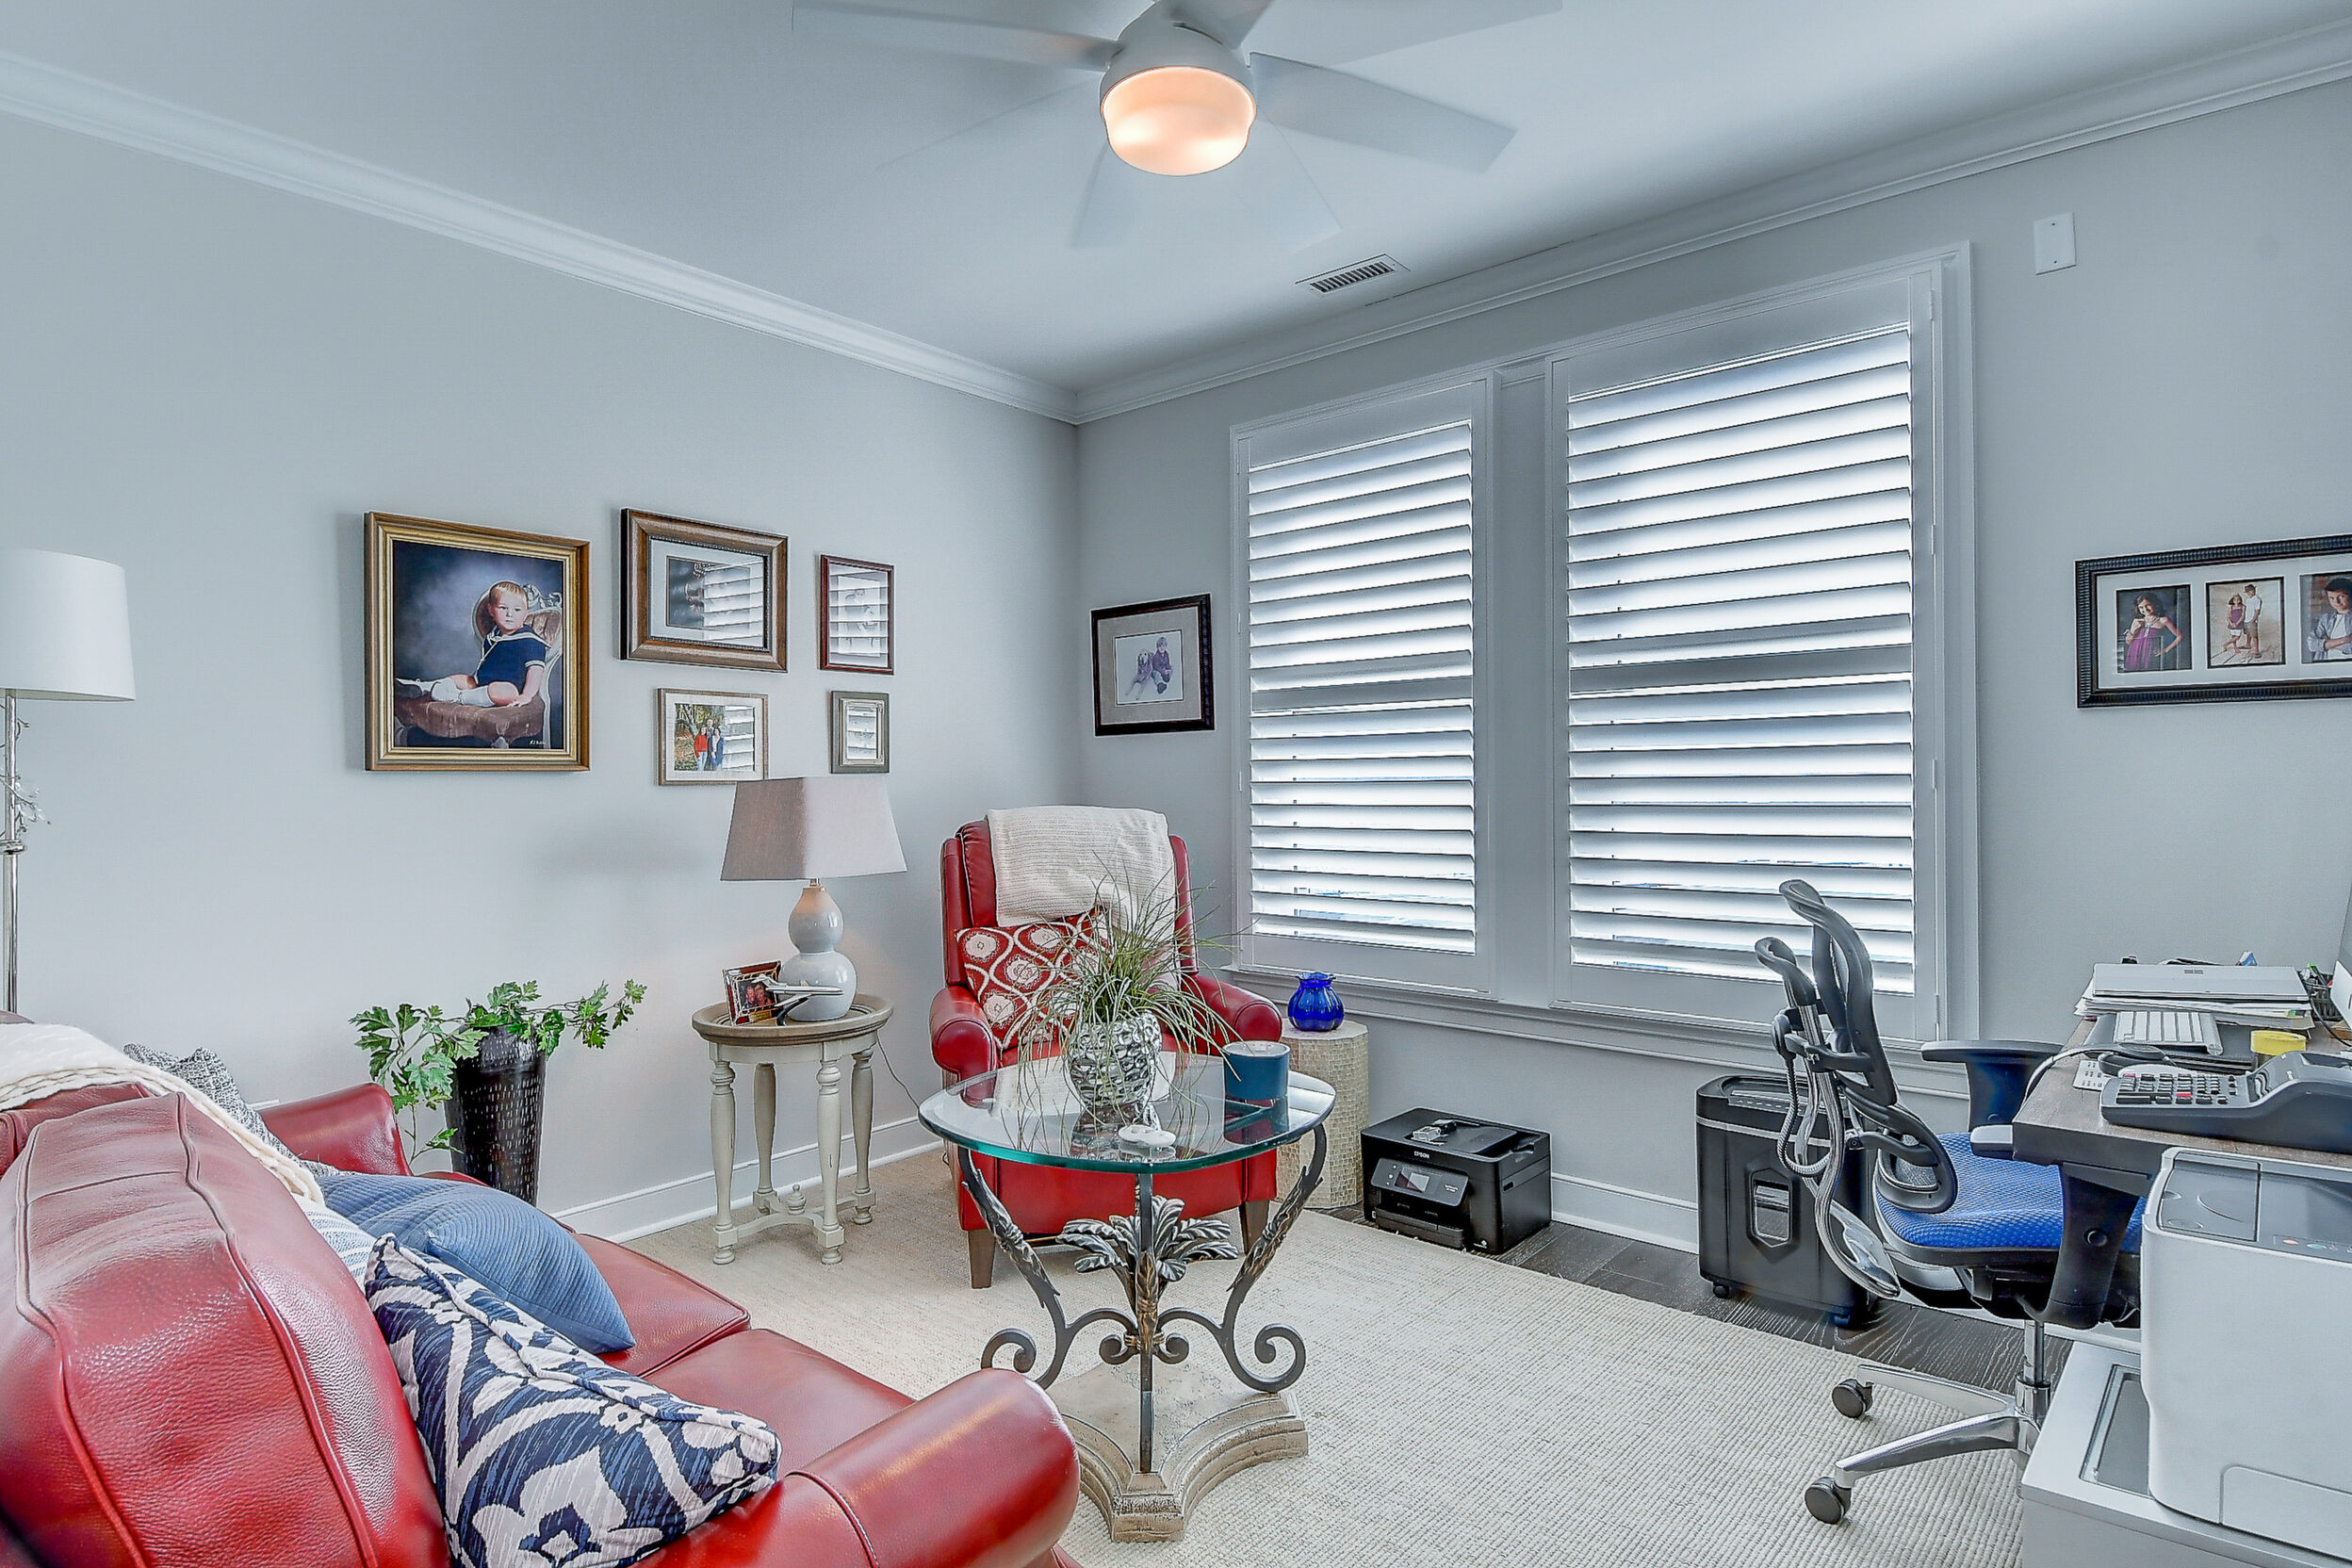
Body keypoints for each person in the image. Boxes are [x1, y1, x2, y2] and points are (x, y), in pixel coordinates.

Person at [399, 581, 550, 708]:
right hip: (481, 683)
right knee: (461, 679)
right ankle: (423, 687)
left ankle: (457, 697)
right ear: (491, 610)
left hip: (510, 689)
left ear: (525, 614)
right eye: (503, 608)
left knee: (500, 690)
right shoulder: (494, 636)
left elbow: (535, 671)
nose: (510, 614)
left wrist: (526, 695)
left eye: (517, 610)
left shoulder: (530, 641)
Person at [2122, 593, 2182, 672]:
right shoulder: (2136, 621)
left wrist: (2165, 650)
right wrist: (2133, 630)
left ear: (2155, 604)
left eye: (2148, 605)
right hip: (2135, 653)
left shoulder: (2163, 620)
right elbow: (2128, 642)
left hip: (2150, 655)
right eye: (2141, 607)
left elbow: (2180, 636)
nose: (2145, 609)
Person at [2308, 577, 2352, 662]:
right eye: (2331, 598)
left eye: (2341, 596)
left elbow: (2350, 648)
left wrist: (2327, 644)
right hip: (2327, 664)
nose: (2336, 602)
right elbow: (2312, 644)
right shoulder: (2326, 618)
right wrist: (2345, 640)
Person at [2241, 581, 2265, 660]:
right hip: (2246, 619)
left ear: (2254, 590)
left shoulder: (2257, 599)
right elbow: (2246, 610)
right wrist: (2244, 618)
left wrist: (2253, 620)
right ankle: (2248, 644)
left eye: (2250, 590)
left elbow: (2257, 611)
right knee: (2248, 633)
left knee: (2254, 635)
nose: (2249, 593)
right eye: (2247, 592)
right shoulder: (2248, 600)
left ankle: (2257, 650)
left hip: (2252, 620)